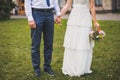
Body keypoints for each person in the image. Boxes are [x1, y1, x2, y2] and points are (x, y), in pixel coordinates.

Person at [60, 0, 100, 77]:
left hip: (85, 17)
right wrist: (59, 16)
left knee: (83, 42)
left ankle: (82, 67)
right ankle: (71, 67)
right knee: (72, 42)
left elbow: (92, 6)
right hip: (74, 17)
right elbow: (68, 5)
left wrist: (95, 22)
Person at [24, 0, 61, 77]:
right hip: (37, 14)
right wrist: (30, 18)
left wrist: (58, 14)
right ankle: (36, 69)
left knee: (49, 44)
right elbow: (27, 2)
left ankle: (47, 67)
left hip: (50, 14)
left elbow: (55, 1)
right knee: (35, 44)